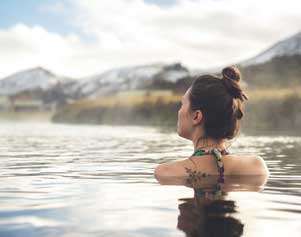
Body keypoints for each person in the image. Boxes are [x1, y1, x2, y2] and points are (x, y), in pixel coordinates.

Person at [155, 66, 269, 178]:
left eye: (182, 104)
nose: (179, 112)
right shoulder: (256, 167)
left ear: (196, 116)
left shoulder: (166, 173)